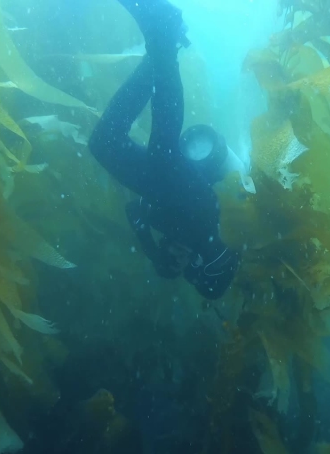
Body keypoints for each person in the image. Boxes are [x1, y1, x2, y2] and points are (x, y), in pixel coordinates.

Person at [88, 0, 240, 300]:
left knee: (103, 143)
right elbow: (214, 280)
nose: (179, 256)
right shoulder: (211, 248)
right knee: (162, 152)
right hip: (190, 193)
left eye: (172, 255)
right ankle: (165, 38)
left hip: (162, 188)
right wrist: (187, 263)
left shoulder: (161, 227)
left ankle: (162, 44)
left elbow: (134, 211)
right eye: (182, 262)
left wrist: (152, 250)